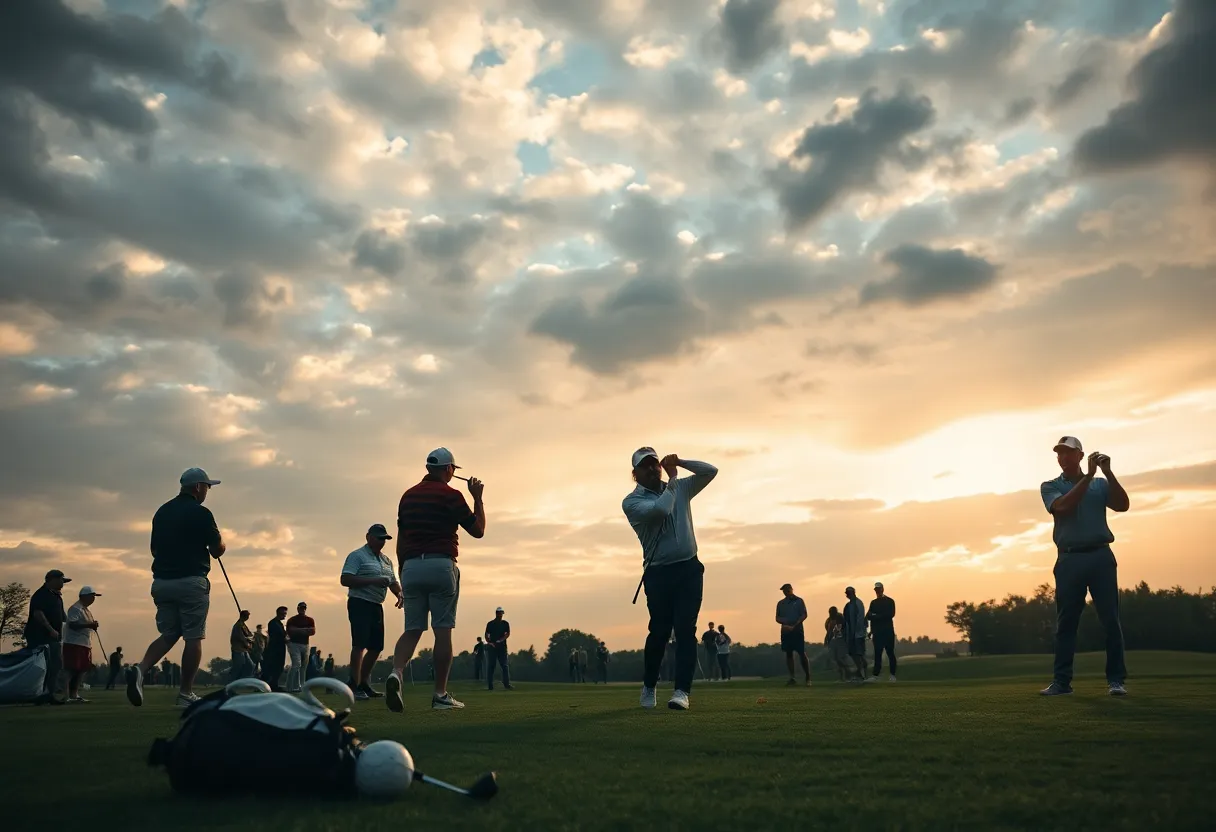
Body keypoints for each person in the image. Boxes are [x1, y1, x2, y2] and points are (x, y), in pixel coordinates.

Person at [386, 447, 486, 712]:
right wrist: (477, 498)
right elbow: (478, 531)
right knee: (442, 630)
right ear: (448, 469)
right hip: (441, 563)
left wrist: (401, 568)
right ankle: (440, 695)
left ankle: (396, 672)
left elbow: (401, 536)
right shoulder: (451, 495)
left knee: (413, 629)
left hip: (410, 566)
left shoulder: (407, 496)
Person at [622, 447, 718, 711]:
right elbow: (662, 510)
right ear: (635, 474)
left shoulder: (679, 486)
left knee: (686, 630)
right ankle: (649, 686)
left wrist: (681, 462)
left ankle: (681, 692)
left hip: (688, 569)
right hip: (658, 573)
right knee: (660, 632)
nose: (653, 468)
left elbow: (711, 471)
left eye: (655, 464)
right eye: (646, 466)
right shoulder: (632, 502)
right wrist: (673, 478)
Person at [1039, 436, 1130, 696]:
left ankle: (1116, 680)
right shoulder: (1050, 486)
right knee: (1066, 623)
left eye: (1069, 453)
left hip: (1101, 557)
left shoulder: (1100, 484)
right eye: (1060, 454)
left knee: (1110, 620)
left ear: (1080, 456)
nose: (1063, 458)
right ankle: (1061, 683)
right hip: (1069, 559)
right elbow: (1064, 507)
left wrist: (1108, 473)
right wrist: (1087, 477)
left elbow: (1122, 505)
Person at [127, 467, 225, 708]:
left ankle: (141, 669)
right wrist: (219, 542)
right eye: (207, 487)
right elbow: (216, 549)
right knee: (193, 636)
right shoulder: (201, 513)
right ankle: (185, 694)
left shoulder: (162, 512)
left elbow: (154, 550)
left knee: (170, 633)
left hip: (161, 582)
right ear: (197, 487)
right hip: (191, 581)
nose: (208, 491)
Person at [341, 523, 402, 701]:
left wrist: (399, 593)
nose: (382, 541)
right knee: (359, 644)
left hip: (376, 604)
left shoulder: (386, 560)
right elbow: (345, 579)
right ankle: (354, 684)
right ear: (369, 537)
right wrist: (373, 580)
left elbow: (392, 581)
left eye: (384, 538)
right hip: (359, 602)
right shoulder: (357, 556)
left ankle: (363, 683)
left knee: (376, 647)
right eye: (379, 538)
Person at [25, 569, 71, 705]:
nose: (63, 583)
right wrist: (50, 629)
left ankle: (49, 693)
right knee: (43, 666)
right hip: (40, 637)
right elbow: (38, 613)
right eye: (61, 580)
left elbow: (63, 617)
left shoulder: (56, 596)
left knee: (55, 665)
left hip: (55, 637)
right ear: (52, 580)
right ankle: (38, 693)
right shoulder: (41, 594)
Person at [63, 585, 102, 703]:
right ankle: (66, 696)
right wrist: (89, 625)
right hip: (73, 643)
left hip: (85, 644)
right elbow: (72, 625)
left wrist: (92, 624)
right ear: (84, 596)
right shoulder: (75, 608)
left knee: (81, 670)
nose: (93, 599)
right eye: (92, 596)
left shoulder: (86, 610)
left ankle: (74, 694)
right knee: (70, 669)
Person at [776, 583, 811, 686]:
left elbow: (804, 614)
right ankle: (792, 677)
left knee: (801, 653)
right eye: (783, 590)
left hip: (797, 630)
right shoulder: (781, 603)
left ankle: (808, 677)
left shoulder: (799, 601)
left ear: (791, 589)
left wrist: (795, 624)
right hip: (786, 631)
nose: (785, 592)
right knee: (788, 653)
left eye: (787, 590)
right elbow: (777, 617)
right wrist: (785, 623)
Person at [867, 582, 897, 681]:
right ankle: (876, 675)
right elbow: (868, 616)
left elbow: (890, 614)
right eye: (876, 590)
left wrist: (876, 616)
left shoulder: (890, 601)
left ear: (882, 589)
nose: (877, 591)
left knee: (890, 653)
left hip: (888, 631)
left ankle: (892, 675)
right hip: (877, 632)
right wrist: (871, 630)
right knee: (877, 654)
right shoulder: (873, 603)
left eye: (879, 589)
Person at [285, 602, 315, 692]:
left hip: (305, 644)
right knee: (296, 664)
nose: (303, 609)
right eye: (301, 608)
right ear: (297, 608)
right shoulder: (292, 620)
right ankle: (289, 686)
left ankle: (301, 686)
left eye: (304, 608)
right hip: (294, 644)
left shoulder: (310, 620)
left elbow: (313, 631)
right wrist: (305, 630)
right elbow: (290, 631)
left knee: (303, 667)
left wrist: (298, 630)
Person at [843, 586, 869, 683]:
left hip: (858, 634)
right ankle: (860, 673)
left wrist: (857, 632)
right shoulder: (848, 605)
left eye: (848, 593)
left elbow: (860, 619)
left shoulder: (858, 603)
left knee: (859, 653)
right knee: (853, 653)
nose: (847, 595)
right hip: (851, 635)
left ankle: (862, 674)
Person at [485, 607, 513, 690]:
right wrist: (490, 643)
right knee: (491, 666)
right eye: (499, 613)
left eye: (501, 613)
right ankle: (490, 686)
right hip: (492, 647)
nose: (500, 615)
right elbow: (486, 635)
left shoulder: (505, 624)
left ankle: (506, 684)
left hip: (502, 648)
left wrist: (501, 640)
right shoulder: (490, 624)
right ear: (496, 613)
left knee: (504, 666)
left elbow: (507, 634)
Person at [261, 606, 288, 691]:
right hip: (275, 648)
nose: (284, 615)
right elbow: (280, 634)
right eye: (283, 614)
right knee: (275, 667)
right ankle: (271, 685)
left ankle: (274, 684)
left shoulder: (279, 623)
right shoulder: (273, 623)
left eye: (285, 614)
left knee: (279, 666)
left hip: (280, 647)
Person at [824, 607, 850, 681]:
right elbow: (829, 631)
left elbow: (837, 629)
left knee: (840, 658)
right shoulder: (829, 620)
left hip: (841, 640)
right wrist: (827, 639)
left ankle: (848, 672)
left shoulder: (840, 617)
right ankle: (842, 677)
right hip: (834, 640)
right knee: (836, 659)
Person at [229, 610, 254, 683]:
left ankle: (244, 681)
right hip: (238, 649)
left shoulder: (243, 625)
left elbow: (249, 635)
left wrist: (250, 639)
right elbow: (241, 638)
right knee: (238, 667)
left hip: (244, 650)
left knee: (250, 666)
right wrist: (248, 645)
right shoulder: (238, 625)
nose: (248, 617)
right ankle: (232, 683)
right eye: (247, 616)